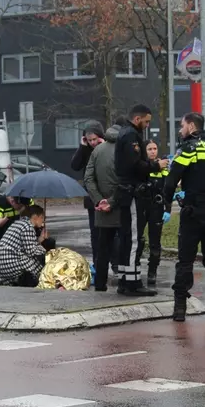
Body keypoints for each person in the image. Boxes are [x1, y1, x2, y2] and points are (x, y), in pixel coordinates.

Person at [163, 112, 205, 322]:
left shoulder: (189, 149)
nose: (180, 130)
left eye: (182, 126)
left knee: (185, 261)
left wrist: (167, 203)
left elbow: (171, 180)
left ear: (191, 126)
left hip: (193, 211)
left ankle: (180, 308)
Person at [114, 104, 169, 296]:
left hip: (126, 191)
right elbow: (135, 165)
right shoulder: (131, 136)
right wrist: (156, 165)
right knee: (134, 239)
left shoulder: (125, 133)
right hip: (132, 193)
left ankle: (125, 279)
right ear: (137, 119)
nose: (147, 125)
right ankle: (132, 283)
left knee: (127, 238)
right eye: (146, 121)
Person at [84, 117, 126, 291]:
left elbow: (88, 178)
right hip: (122, 207)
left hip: (101, 210)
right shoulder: (125, 151)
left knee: (102, 247)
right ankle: (125, 282)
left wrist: (99, 200)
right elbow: (126, 181)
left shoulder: (97, 151)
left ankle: (100, 284)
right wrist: (112, 201)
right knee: (125, 247)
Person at [71, 121, 106, 270]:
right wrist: (82, 147)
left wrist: (103, 145)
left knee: (110, 232)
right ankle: (97, 262)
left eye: (94, 139)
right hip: (92, 197)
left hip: (107, 194)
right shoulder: (85, 150)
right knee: (95, 232)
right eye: (89, 140)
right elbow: (75, 165)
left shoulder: (107, 147)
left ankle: (113, 262)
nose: (92, 143)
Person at [137, 139, 169, 286]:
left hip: (156, 208)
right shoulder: (141, 167)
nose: (153, 151)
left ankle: (152, 272)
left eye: (155, 148)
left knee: (155, 243)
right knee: (138, 240)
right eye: (149, 149)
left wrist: (167, 209)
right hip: (141, 207)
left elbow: (168, 190)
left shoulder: (163, 167)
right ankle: (135, 268)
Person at [0, 205, 49, 287]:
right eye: (42, 217)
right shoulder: (28, 227)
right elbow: (31, 251)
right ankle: (26, 279)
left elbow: (26, 245)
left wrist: (40, 239)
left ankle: (14, 281)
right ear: (35, 217)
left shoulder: (17, 224)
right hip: (11, 264)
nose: (43, 221)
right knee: (40, 265)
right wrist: (47, 252)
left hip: (0, 266)